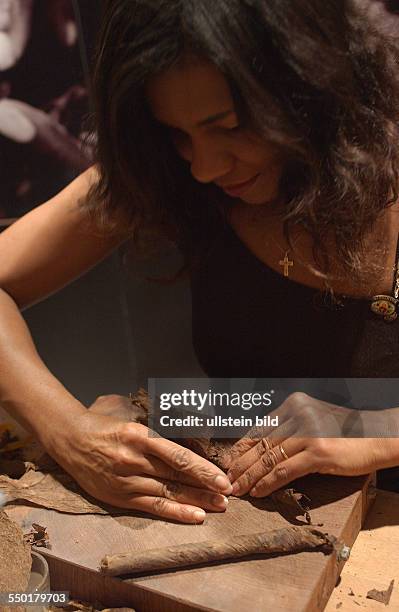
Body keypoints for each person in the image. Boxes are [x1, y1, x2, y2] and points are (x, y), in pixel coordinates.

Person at [1, 0, 399, 521]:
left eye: (231, 127)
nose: (207, 166)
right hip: (252, 483)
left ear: (308, 88)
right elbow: (256, 402)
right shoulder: (170, 171)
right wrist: (72, 430)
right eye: (179, 134)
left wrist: (371, 430)